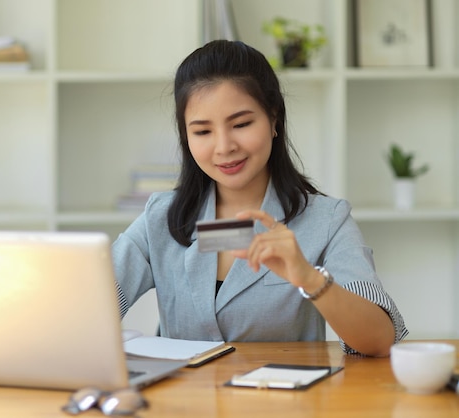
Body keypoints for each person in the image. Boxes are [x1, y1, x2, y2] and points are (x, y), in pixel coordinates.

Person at [111, 40, 407, 357]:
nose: (224, 147)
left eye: (241, 124)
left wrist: (309, 278)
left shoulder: (327, 219)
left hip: (286, 403)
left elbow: (379, 341)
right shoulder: (160, 218)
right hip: (184, 405)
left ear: (274, 119)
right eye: (202, 132)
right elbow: (89, 308)